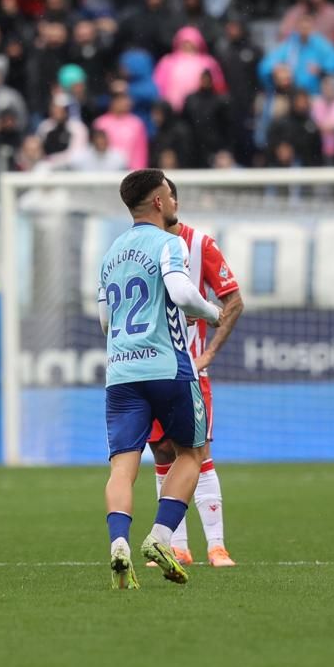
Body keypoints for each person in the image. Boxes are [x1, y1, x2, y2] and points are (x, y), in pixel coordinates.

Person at [99, 169, 222, 589]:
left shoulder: (111, 253)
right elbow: (182, 292)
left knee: (122, 467)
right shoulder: (169, 243)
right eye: (170, 196)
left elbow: (104, 320)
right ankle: (160, 537)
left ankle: (119, 544)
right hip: (167, 368)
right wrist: (212, 312)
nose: (174, 203)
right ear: (158, 201)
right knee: (191, 453)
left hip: (121, 373)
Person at [143, 179, 245, 568]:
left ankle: (217, 546)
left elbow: (233, 300)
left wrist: (211, 352)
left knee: (197, 452)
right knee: (162, 453)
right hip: (147, 370)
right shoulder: (138, 248)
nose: (172, 202)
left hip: (187, 371)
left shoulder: (200, 244)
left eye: (173, 195)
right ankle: (177, 546)